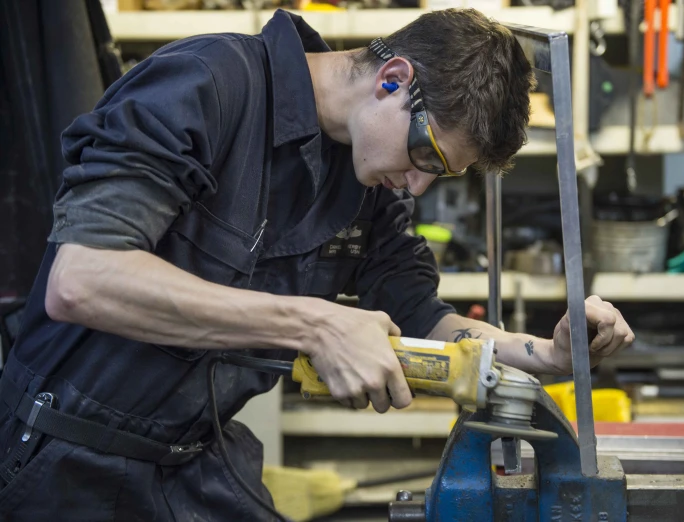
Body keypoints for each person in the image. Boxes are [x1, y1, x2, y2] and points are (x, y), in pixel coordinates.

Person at [0, 8, 634, 521]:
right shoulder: (206, 85)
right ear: (394, 78)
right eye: (426, 154)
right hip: (60, 457)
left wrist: (544, 356)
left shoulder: (368, 183)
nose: (415, 186)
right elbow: (84, 279)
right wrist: (315, 324)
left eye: (438, 176)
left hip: (192, 461)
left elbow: (426, 320)